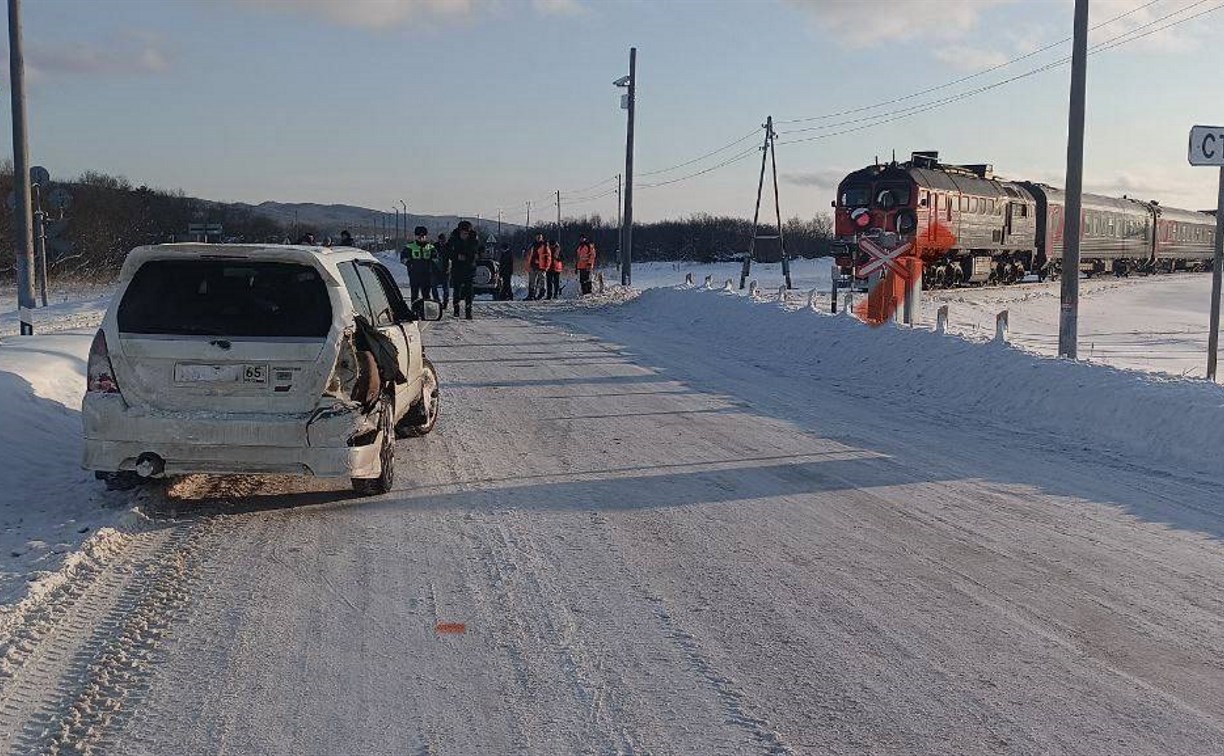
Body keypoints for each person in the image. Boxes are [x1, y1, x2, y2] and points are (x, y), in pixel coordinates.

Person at [447, 220, 480, 319]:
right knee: (456, 290)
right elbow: (448, 252)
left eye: (467, 233)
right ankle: (456, 309)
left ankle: (468, 311)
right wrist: (456, 256)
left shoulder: (474, 239)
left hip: (469, 269)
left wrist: (467, 257)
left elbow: (475, 253)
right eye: (463, 233)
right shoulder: (453, 238)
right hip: (457, 268)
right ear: (459, 231)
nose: (465, 235)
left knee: (469, 291)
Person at [402, 226, 436, 303]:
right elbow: (403, 258)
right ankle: (414, 312)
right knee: (414, 295)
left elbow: (436, 259)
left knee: (426, 296)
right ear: (415, 236)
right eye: (419, 236)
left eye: (423, 236)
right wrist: (409, 264)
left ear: (426, 236)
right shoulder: (409, 246)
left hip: (427, 275)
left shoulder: (430, 247)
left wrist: (432, 265)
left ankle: (427, 313)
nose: (421, 237)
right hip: (414, 275)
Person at [526, 233, 551, 301]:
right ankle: (531, 295)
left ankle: (541, 294)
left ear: (542, 238)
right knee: (532, 281)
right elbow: (529, 256)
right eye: (537, 237)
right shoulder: (532, 245)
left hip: (542, 267)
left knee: (542, 281)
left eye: (540, 237)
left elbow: (548, 257)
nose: (538, 238)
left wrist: (546, 267)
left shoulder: (545, 245)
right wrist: (528, 266)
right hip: (533, 266)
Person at [433, 232, 451, 309]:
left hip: (446, 271)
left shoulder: (448, 247)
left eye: (443, 241)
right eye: (441, 240)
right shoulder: (434, 247)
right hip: (436, 271)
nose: (442, 242)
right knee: (434, 287)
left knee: (446, 289)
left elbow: (451, 259)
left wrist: (449, 268)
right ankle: (437, 301)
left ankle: (445, 302)